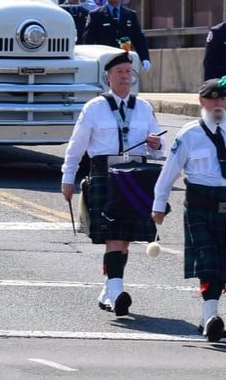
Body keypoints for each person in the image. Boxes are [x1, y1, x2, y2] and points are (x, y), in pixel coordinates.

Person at [151, 75, 226, 341]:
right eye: (212, 99)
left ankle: (207, 317)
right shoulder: (189, 134)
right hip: (200, 206)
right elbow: (169, 172)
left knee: (223, 265)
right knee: (209, 264)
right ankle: (212, 315)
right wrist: (159, 204)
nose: (218, 104)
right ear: (202, 101)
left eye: (222, 98)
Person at [60, 46, 163, 313]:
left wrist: (155, 144)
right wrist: (68, 177)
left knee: (123, 238)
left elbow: (158, 149)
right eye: (119, 71)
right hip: (105, 176)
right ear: (108, 77)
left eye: (129, 71)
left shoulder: (144, 108)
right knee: (115, 236)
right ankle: (116, 292)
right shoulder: (94, 107)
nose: (125, 76)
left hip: (136, 179)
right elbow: (76, 145)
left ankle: (109, 291)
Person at [79, 0, 151, 70]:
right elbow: (88, 40)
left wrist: (144, 58)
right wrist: (88, 61)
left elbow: (138, 38)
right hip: (104, 61)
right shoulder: (96, 15)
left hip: (124, 60)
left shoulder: (130, 15)